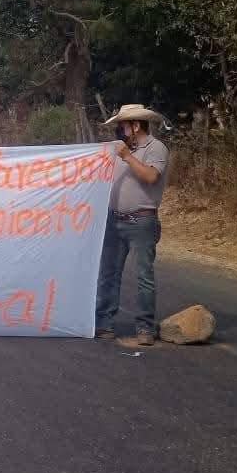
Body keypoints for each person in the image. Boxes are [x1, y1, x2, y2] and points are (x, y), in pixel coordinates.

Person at [94, 104, 170, 346]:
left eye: (123, 125)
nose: (120, 130)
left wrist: (126, 157)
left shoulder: (155, 148)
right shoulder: (119, 151)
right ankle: (104, 324)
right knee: (108, 274)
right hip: (114, 219)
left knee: (143, 276)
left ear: (136, 125)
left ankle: (144, 327)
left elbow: (150, 176)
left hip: (142, 220)